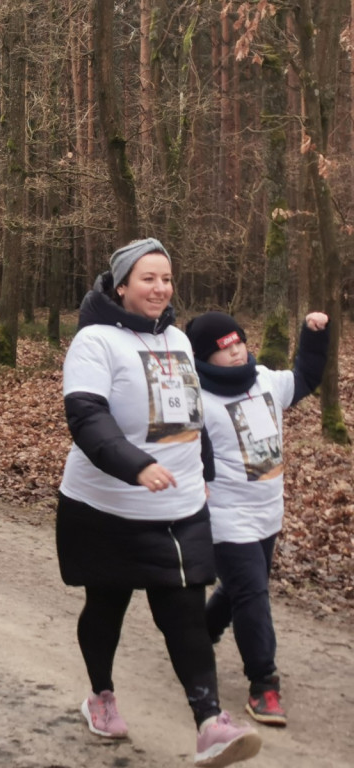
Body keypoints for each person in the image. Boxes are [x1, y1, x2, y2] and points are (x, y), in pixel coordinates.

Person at [57, 238, 261, 768]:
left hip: (180, 505)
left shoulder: (175, 338)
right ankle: (100, 696)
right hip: (106, 506)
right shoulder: (94, 342)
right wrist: (134, 465)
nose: (161, 288)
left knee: (187, 611)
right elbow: (86, 416)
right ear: (122, 284)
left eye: (166, 279)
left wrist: (207, 473)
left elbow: (191, 415)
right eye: (148, 278)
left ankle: (210, 724)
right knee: (107, 606)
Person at [185, 310, 329, 728]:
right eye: (223, 349)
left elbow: (305, 376)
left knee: (240, 587)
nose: (234, 352)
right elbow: (185, 452)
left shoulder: (265, 380)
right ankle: (263, 683)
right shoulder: (200, 399)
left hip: (269, 508)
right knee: (252, 592)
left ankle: (198, 634)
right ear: (204, 357)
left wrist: (313, 335)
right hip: (227, 515)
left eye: (237, 343)